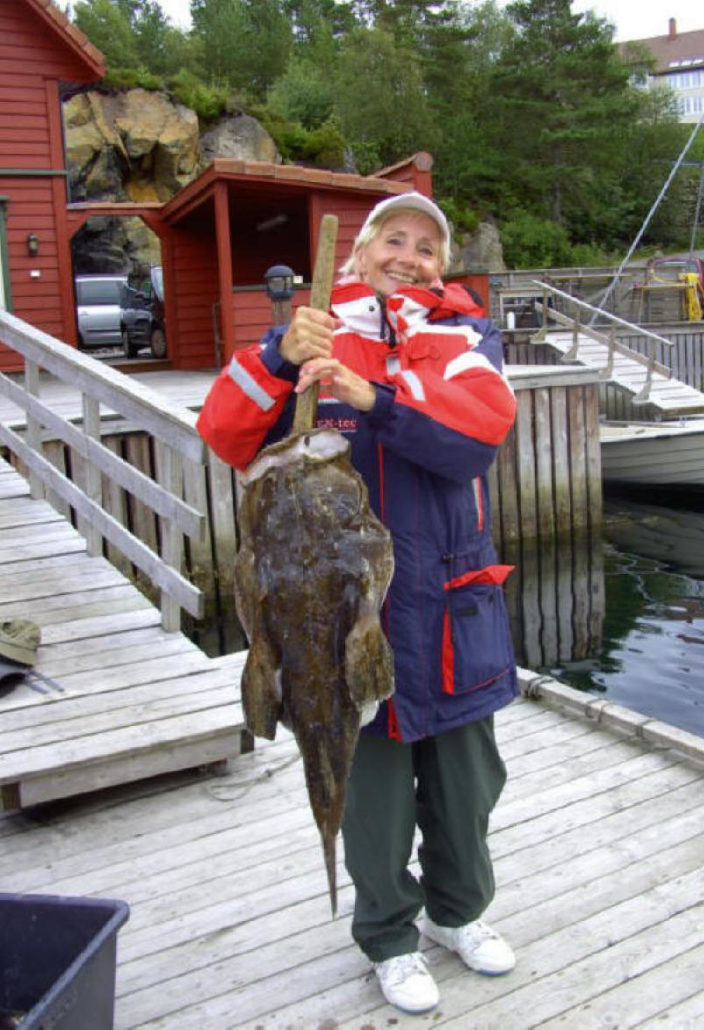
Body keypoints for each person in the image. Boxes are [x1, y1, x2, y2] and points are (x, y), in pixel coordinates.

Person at [197, 192, 519, 1014]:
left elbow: (474, 439)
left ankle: (459, 914)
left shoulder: (464, 337)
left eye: (425, 246)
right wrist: (277, 356)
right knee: (369, 801)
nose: (407, 256)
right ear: (360, 250)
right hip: (336, 626)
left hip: (448, 613)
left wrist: (373, 397)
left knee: (466, 789)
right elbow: (227, 434)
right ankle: (386, 934)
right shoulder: (310, 327)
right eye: (393, 239)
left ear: (441, 265)